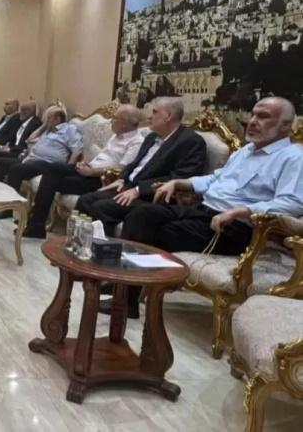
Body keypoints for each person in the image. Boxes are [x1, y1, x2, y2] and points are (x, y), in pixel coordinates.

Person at [109, 97, 303, 318]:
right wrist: (179, 183)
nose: (252, 121)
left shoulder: (294, 158)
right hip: (202, 211)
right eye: (253, 114)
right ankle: (122, 287)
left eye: (263, 116)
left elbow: (292, 202)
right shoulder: (246, 151)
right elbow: (216, 179)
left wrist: (243, 211)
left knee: (154, 232)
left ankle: (124, 299)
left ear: (285, 125)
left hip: (234, 227)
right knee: (141, 214)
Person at [75, 97, 207, 238]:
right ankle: (80, 244)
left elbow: (180, 177)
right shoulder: (151, 137)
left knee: (101, 207)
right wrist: (121, 179)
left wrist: (139, 190)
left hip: (150, 196)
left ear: (168, 116)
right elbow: (134, 164)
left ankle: (104, 249)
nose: (149, 116)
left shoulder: (190, 141)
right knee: (85, 200)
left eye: (155, 112)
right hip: (129, 187)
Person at [22, 104, 145, 238]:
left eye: (115, 118)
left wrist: (93, 172)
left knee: (52, 179)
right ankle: (36, 224)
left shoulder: (137, 142)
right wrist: (86, 164)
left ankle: (36, 226)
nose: (111, 121)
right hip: (89, 170)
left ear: (125, 124)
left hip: (101, 179)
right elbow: (103, 158)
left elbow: (122, 170)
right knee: (53, 169)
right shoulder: (116, 136)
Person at [0, 106, 82, 219]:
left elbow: (78, 149)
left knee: (16, 169)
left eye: (49, 118)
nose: (46, 121)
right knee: (4, 164)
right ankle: (1, 201)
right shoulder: (49, 131)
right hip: (33, 160)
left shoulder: (68, 129)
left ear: (57, 119)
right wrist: (44, 126)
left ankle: (8, 209)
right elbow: (30, 139)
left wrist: (69, 167)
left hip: (48, 163)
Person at [0, 101, 42, 180]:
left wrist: (10, 149)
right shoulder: (22, 121)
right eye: (20, 109)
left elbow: (26, 144)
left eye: (23, 110)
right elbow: (14, 138)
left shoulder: (35, 123)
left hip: (20, 152)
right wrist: (6, 146)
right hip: (13, 149)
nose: (20, 112)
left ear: (31, 111)